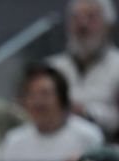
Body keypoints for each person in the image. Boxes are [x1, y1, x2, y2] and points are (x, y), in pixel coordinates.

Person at [0, 64, 104, 161]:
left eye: (45, 94)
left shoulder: (88, 136)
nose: (37, 102)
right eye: (31, 95)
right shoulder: (13, 141)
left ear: (62, 98)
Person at [47, 0, 119, 139]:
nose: (83, 25)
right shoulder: (52, 67)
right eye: (76, 18)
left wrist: (84, 112)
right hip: (56, 144)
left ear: (108, 26)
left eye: (91, 17)